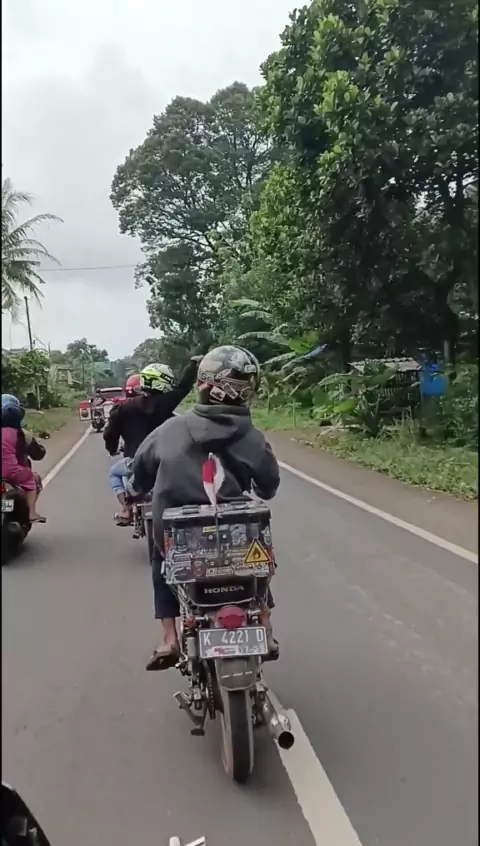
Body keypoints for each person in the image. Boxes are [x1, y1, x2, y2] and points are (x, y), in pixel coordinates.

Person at [131, 345, 280, 671]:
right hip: (236, 539)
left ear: (202, 384)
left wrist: (137, 489)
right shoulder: (253, 438)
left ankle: (169, 637)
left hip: (178, 539)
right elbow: (268, 488)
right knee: (258, 557)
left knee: (161, 561)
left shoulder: (168, 431)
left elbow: (138, 476)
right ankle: (264, 622)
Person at [104, 360, 201, 525]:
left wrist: (112, 449)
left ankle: (127, 509)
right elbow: (183, 386)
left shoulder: (123, 408)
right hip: (167, 461)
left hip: (136, 462)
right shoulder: (166, 403)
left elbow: (110, 434)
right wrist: (192, 365)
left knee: (115, 473)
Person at [1, 394, 46, 523]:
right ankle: (31, 513)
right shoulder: (21, 434)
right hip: (13, 472)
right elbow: (37, 453)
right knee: (32, 479)